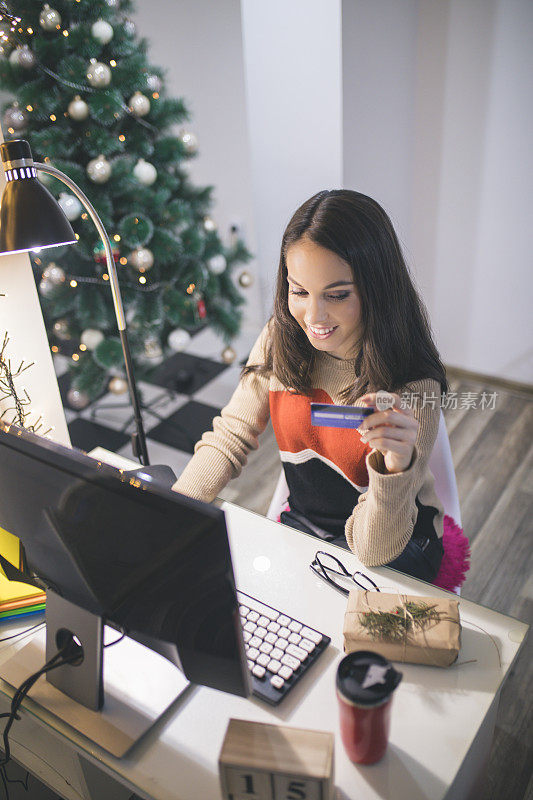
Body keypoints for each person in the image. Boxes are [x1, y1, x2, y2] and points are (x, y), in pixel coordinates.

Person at [173, 190, 459, 584]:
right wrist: (170, 512)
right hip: (308, 527)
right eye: (299, 291)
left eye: (337, 295)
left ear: (376, 288)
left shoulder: (411, 383)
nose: (314, 316)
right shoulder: (280, 338)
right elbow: (230, 435)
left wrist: (394, 466)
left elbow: (375, 551)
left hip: (395, 544)